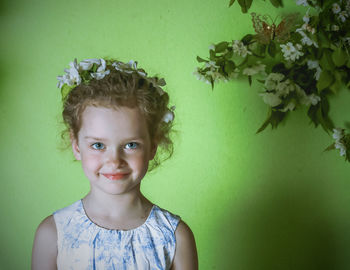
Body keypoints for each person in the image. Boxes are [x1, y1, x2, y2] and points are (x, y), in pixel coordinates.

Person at [31, 58, 198, 270]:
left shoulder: (175, 237)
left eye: (130, 145)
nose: (114, 161)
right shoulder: (53, 234)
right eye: (98, 145)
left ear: (153, 146)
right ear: (76, 146)